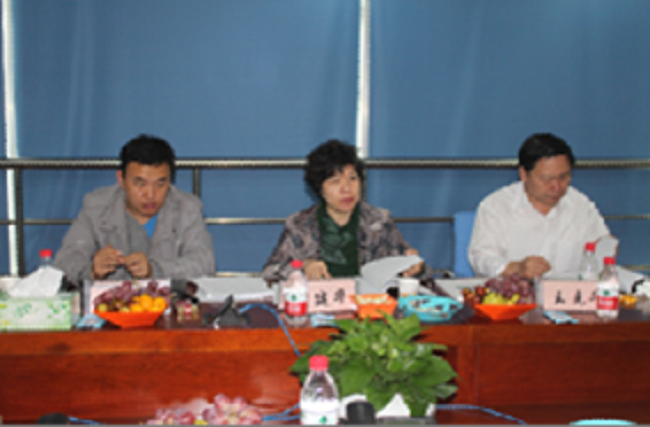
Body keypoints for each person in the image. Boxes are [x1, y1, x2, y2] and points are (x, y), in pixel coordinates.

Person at [53, 134, 215, 283]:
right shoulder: (97, 206)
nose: (150, 195)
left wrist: (155, 270)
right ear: (121, 179)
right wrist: (91, 271)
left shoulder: (187, 208)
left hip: (167, 301)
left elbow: (204, 264)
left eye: (160, 184)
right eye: (140, 184)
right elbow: (65, 261)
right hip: (109, 302)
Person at [262, 139, 427, 282]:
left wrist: (415, 267)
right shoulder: (300, 224)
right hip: (318, 303)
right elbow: (271, 271)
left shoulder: (378, 220)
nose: (347, 189)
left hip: (367, 303)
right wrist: (304, 266)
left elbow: (412, 264)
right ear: (320, 189)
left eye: (352, 178)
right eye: (335, 182)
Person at [468, 132, 611, 280]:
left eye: (563, 177)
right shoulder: (496, 206)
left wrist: (606, 249)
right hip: (514, 292)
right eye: (546, 179)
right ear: (524, 174)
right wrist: (516, 268)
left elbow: (601, 246)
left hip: (569, 291)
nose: (556, 187)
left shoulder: (580, 204)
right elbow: (481, 259)